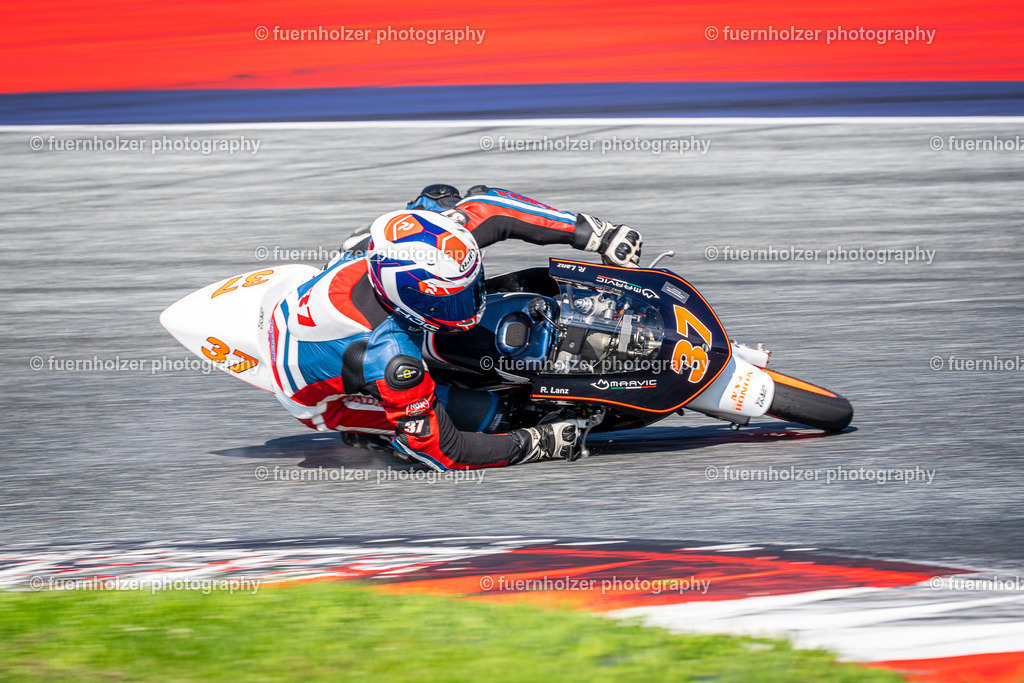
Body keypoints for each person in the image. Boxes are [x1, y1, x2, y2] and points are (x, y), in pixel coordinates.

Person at [268, 184, 642, 470]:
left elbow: (494, 210)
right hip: (324, 394)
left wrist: (595, 233)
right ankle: (378, 433)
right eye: (449, 300)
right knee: (502, 413)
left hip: (351, 280)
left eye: (466, 290)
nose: (466, 307)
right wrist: (535, 442)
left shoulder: (414, 254)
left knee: (444, 199)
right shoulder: (389, 358)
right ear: (407, 294)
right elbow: (444, 451)